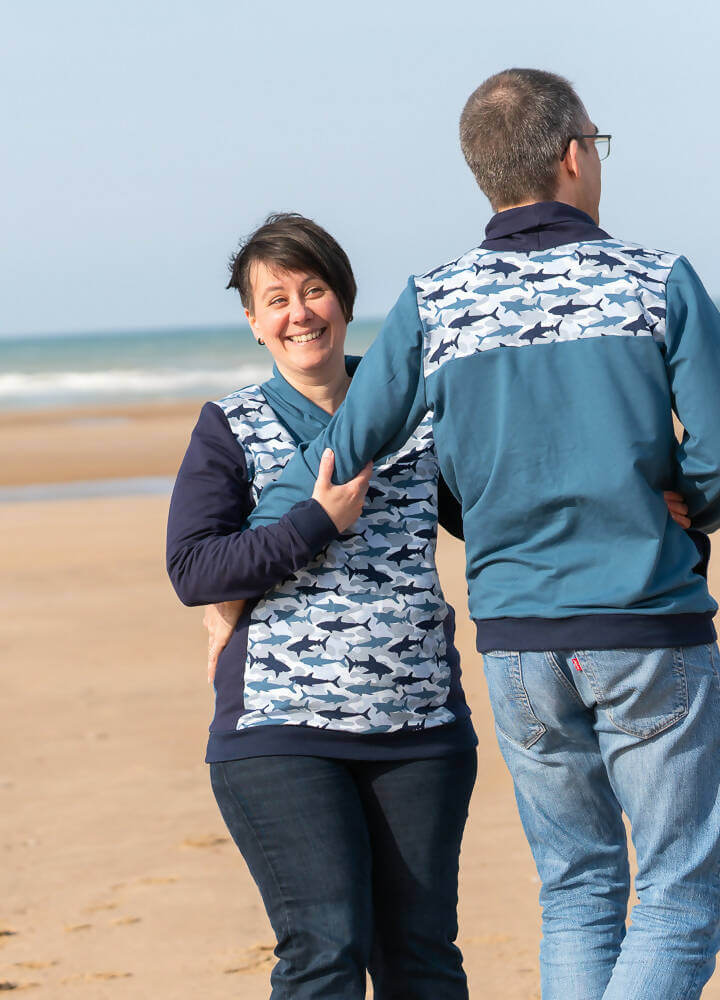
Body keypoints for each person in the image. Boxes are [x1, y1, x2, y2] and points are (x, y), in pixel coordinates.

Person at [243, 69, 720, 999]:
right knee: (678, 897)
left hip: (518, 646)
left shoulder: (434, 302)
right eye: (595, 143)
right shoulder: (655, 279)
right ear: (572, 156)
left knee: (577, 893)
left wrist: (238, 561)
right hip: (646, 625)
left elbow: (344, 448)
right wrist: (692, 501)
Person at [165, 213, 477, 1000]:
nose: (299, 312)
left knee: (423, 961)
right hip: (278, 730)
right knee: (326, 950)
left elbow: (496, 513)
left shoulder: (418, 413)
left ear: (343, 298)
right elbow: (195, 568)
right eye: (276, 299)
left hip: (420, 726)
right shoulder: (229, 427)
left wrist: (642, 494)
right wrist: (314, 521)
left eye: (314, 290)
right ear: (252, 322)